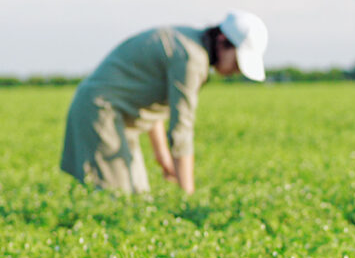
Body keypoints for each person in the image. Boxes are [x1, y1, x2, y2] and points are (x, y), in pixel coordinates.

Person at [60, 10, 268, 194]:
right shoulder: (191, 58)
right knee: (117, 196)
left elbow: (152, 102)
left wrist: (163, 158)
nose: (237, 70)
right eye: (238, 61)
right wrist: (187, 196)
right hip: (100, 110)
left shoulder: (188, 41)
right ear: (222, 40)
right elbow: (181, 130)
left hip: (114, 114)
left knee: (139, 195)